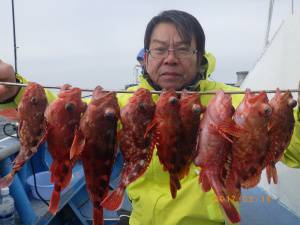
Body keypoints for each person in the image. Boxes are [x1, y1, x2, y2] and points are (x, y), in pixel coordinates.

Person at [0, 10, 300, 225]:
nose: (170, 58)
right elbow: (67, 114)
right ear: (146, 58)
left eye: (183, 49)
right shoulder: (128, 101)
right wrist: (12, 90)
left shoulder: (229, 99)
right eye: (159, 50)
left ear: (200, 57)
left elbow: (289, 146)